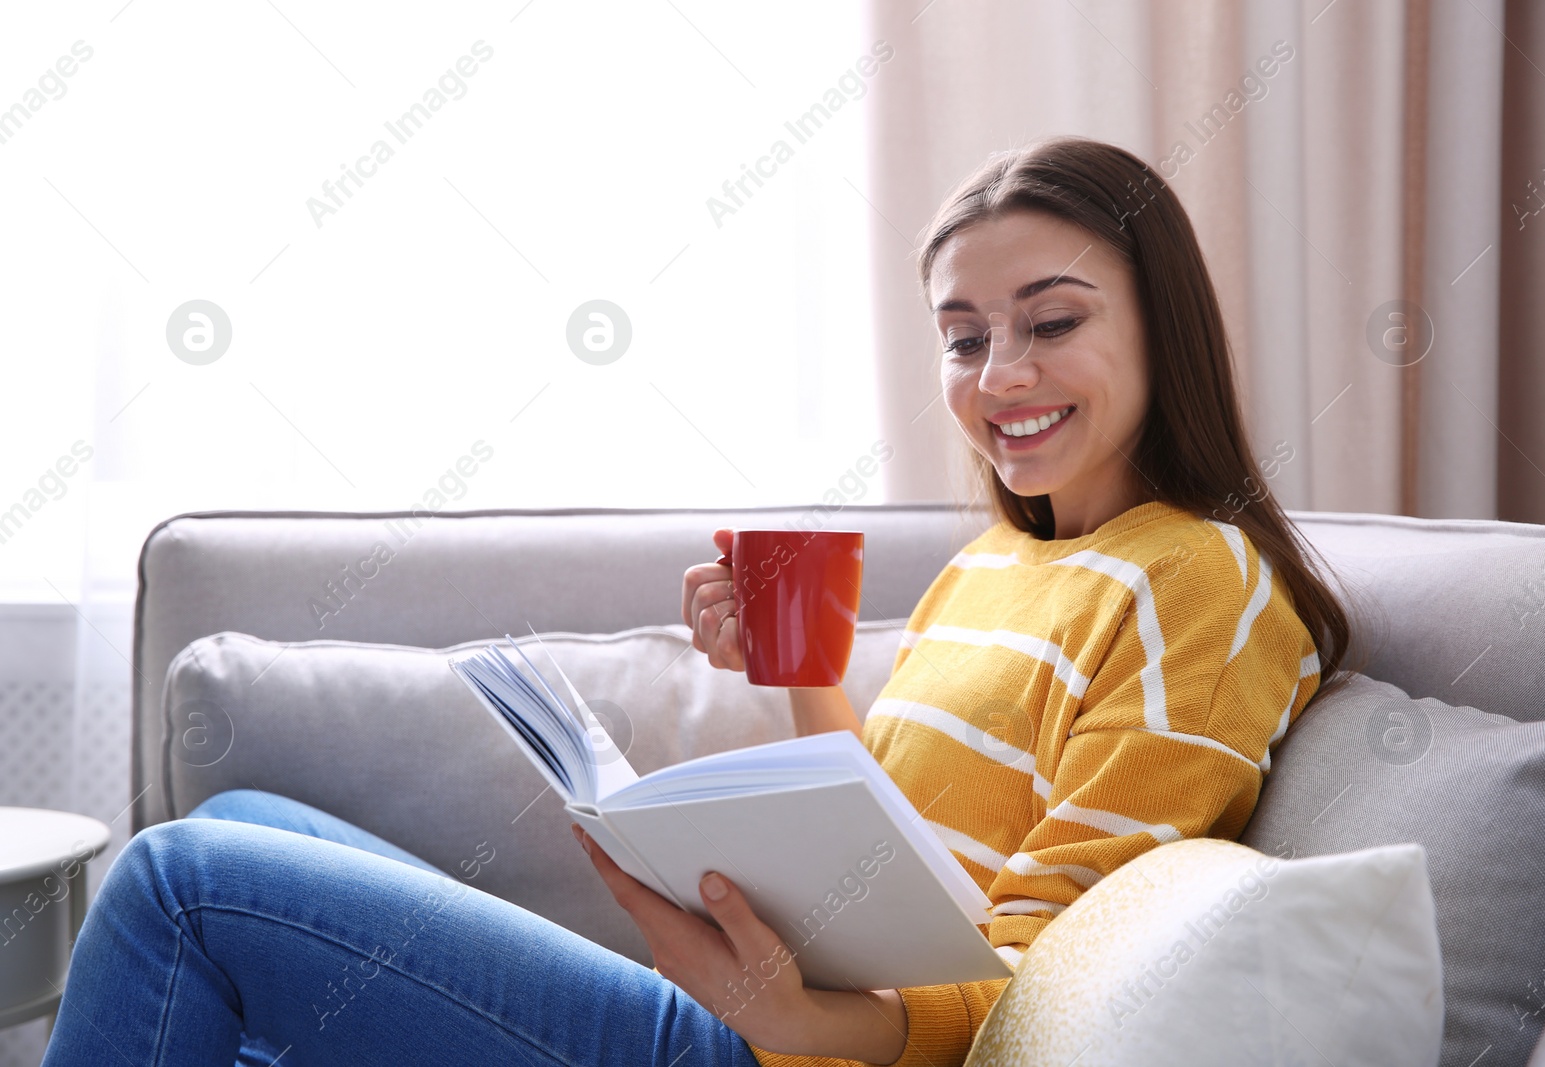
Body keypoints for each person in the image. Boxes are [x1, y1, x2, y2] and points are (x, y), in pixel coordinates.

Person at [41, 137, 1351, 1067]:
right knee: (255, 817)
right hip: (774, 1020)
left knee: (180, 882)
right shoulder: (999, 565)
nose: (998, 374)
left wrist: (798, 1020)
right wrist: (791, 665)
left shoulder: (1200, 583)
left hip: (782, 1053)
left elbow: (1043, 993)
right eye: (963, 337)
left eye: (1050, 320)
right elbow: (886, 852)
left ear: (1159, 326)